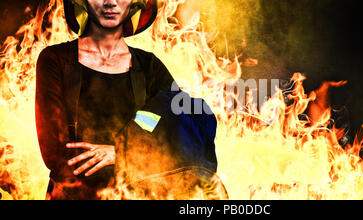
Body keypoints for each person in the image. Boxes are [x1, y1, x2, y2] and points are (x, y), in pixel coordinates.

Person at [35, 0, 224, 200]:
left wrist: (122, 152)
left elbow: (181, 130)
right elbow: (54, 152)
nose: (110, 2)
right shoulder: (55, 60)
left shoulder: (150, 67)